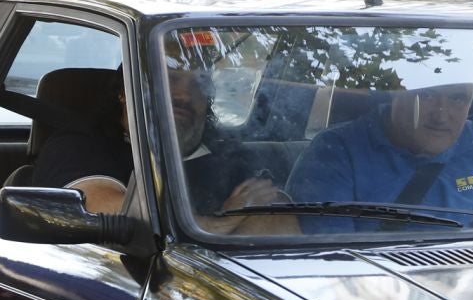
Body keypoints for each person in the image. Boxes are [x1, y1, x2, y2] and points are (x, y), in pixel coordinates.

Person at [32, 63, 288, 233]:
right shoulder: (80, 146)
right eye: (170, 79)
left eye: (199, 85)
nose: (184, 95)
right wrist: (224, 221)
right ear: (126, 91)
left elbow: (275, 219)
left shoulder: (232, 157)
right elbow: (117, 213)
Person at [288, 81, 473, 213]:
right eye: (427, 96)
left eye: (457, 99)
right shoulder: (337, 153)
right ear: (395, 91)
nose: (441, 115)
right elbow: (331, 261)